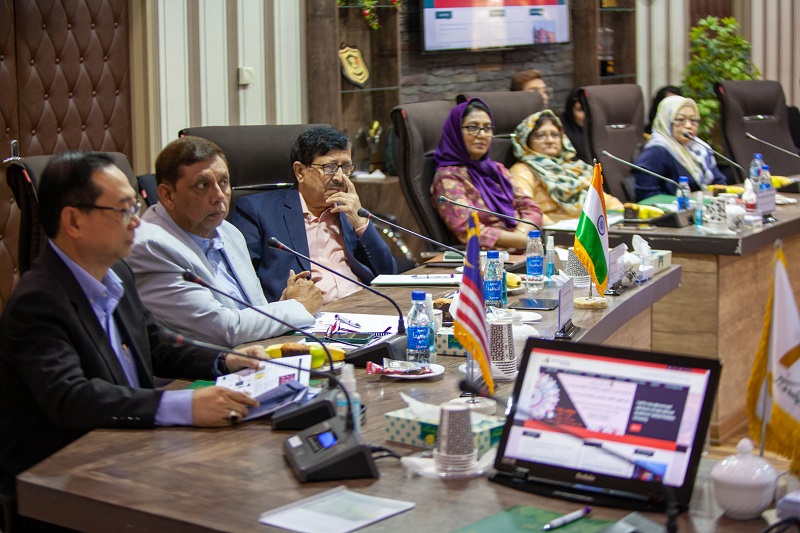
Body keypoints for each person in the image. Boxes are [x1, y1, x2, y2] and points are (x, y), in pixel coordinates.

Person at [0, 152, 263, 531]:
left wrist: (225, 361)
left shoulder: (116, 272)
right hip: (64, 489)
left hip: (132, 453)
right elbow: (71, 398)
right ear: (73, 221)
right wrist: (183, 405)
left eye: (135, 207)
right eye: (123, 210)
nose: (137, 222)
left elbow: (155, 343)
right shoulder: (38, 300)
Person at [127, 137, 322, 346]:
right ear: (168, 195)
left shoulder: (228, 232)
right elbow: (223, 329)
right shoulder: (150, 246)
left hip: (255, 353)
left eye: (224, 182)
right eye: (203, 185)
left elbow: (251, 310)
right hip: (203, 365)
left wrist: (285, 303)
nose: (219, 196)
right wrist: (298, 307)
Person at [231, 126, 397, 305]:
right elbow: (242, 283)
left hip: (367, 306)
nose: (340, 177)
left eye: (346, 167)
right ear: (300, 172)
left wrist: (361, 224)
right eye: (330, 167)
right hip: (309, 314)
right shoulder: (258, 211)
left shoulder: (348, 211)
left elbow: (389, 275)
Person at [431, 98, 542, 250]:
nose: (482, 134)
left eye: (487, 128)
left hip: (524, 248)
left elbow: (531, 207)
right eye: (473, 127)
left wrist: (522, 234)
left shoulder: (496, 170)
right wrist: (518, 240)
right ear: (455, 132)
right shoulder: (448, 177)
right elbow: (467, 229)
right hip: (490, 257)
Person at [509, 110, 623, 226]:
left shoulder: (577, 169)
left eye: (555, 135)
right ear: (526, 141)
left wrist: (621, 214)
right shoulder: (522, 171)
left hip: (589, 228)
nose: (550, 141)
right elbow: (527, 210)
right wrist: (557, 229)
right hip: (554, 230)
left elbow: (605, 201)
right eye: (540, 136)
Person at [633, 95, 727, 201]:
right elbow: (646, 196)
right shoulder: (656, 152)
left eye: (693, 120)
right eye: (681, 120)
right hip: (671, 210)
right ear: (666, 122)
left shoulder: (701, 149)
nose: (688, 125)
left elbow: (719, 182)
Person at [561, 88, 590, 163]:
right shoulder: (562, 134)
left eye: (588, 109)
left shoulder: (603, 131)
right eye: (580, 110)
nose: (585, 115)